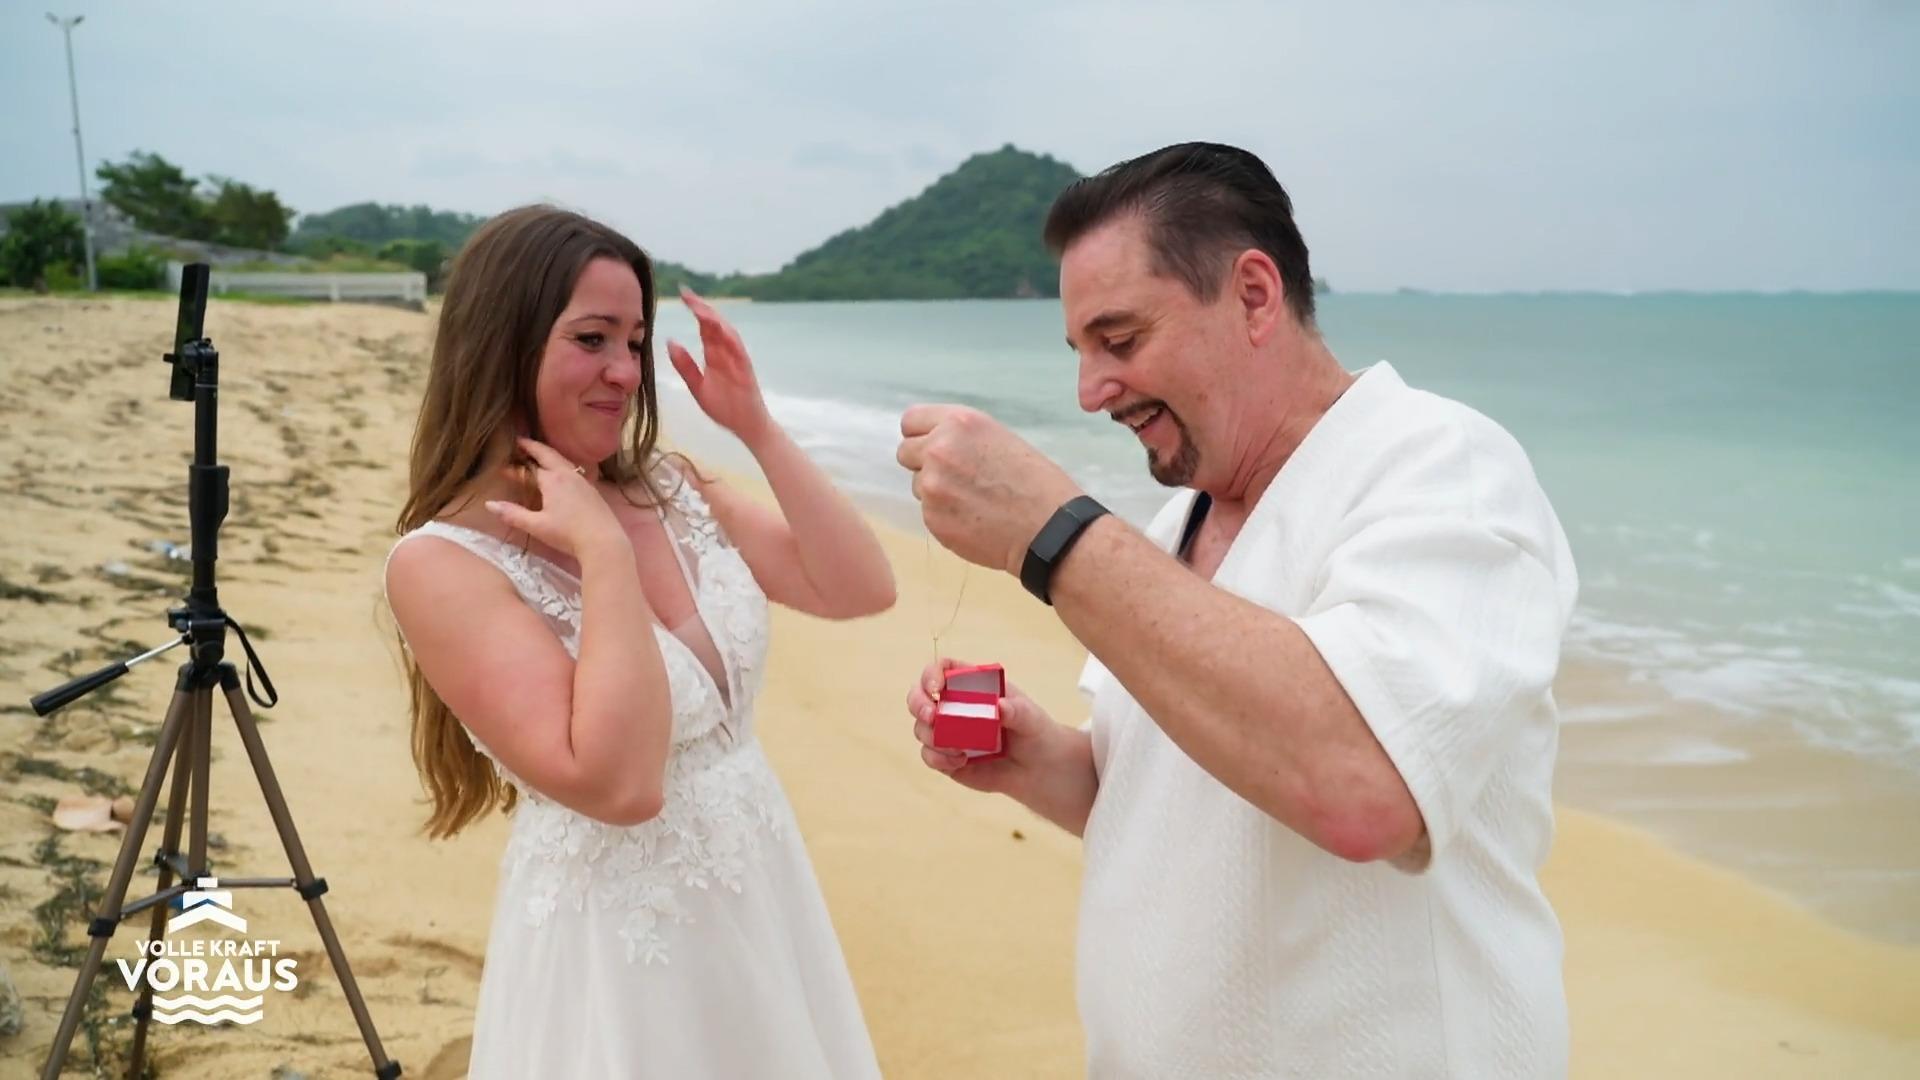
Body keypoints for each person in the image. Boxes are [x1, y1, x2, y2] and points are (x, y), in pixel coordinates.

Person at [897, 143, 1578, 1077]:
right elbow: (1161, 804)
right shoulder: (1182, 515)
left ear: (1254, 296)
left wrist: (1051, 534)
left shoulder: (1442, 468)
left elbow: (1363, 787)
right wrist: (1041, 759)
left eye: (1121, 340)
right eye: (1082, 351)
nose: (1090, 391)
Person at [384, 205, 892, 1078]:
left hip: (760, 894)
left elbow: (857, 586)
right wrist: (604, 554)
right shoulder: (441, 565)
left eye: (635, 341)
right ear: (502, 343)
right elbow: (619, 785)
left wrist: (757, 429)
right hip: (620, 950)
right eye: (592, 339)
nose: (624, 371)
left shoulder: (663, 482)